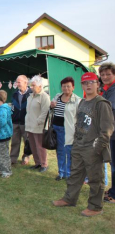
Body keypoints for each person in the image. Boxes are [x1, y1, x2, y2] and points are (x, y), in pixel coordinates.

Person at [53, 72, 114, 217]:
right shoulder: (83, 102)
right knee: (75, 175)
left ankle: (95, 207)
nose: (88, 85)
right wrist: (75, 141)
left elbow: (107, 130)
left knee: (95, 179)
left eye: (91, 82)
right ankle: (69, 199)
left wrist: (98, 148)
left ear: (97, 84)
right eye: (85, 83)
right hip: (78, 144)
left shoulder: (101, 104)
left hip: (93, 147)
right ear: (81, 86)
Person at [50, 77, 81, 181]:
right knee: (60, 151)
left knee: (70, 152)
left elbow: (79, 117)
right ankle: (61, 172)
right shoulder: (57, 96)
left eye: (68, 86)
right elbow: (51, 110)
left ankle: (69, 174)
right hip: (56, 128)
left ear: (73, 87)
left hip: (69, 130)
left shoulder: (77, 100)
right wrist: (51, 107)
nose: (66, 88)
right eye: (64, 86)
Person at [25, 75, 50, 172]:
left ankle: (44, 164)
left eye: (33, 85)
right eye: (31, 85)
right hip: (30, 125)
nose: (31, 87)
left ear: (40, 86)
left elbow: (45, 112)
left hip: (39, 126)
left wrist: (38, 122)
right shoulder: (30, 96)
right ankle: (37, 163)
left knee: (40, 146)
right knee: (33, 145)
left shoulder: (44, 97)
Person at [98, 62, 115, 203]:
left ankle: (114, 195)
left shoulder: (113, 90)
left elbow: (109, 109)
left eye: (108, 74)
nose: (105, 77)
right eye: (102, 74)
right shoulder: (106, 89)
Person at [10, 75, 32, 165]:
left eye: (19, 82)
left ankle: (26, 157)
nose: (17, 84)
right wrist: (11, 117)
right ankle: (13, 158)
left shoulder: (31, 94)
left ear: (25, 82)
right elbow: (12, 108)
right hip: (15, 122)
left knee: (27, 141)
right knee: (15, 141)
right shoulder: (15, 94)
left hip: (26, 122)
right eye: (17, 82)